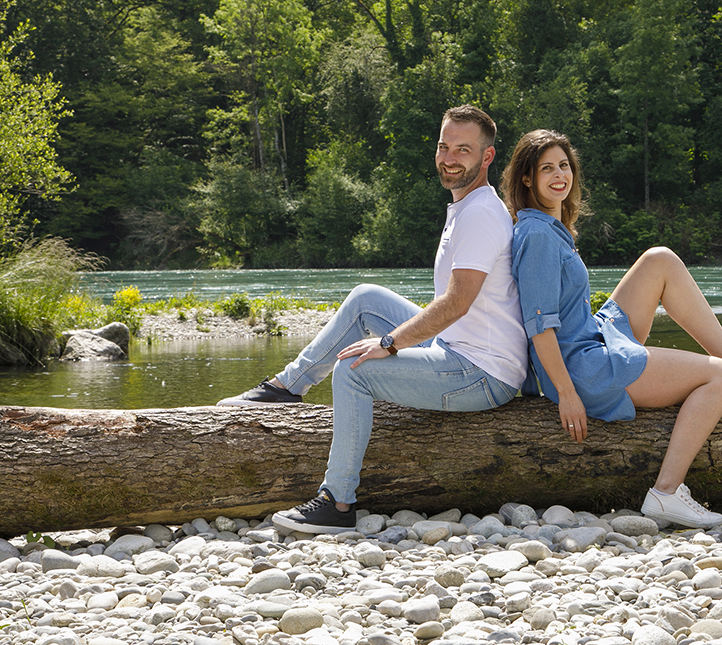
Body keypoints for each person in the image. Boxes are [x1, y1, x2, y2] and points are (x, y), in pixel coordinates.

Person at [217, 105, 528, 534]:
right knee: (366, 299)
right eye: (443, 147)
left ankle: (337, 503)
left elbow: (456, 304)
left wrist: (389, 344)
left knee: (354, 370)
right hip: (458, 348)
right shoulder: (466, 204)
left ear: (487, 158)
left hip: (482, 372)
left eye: (463, 150)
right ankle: (288, 388)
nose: (450, 158)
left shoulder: (479, 215)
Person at [500, 129, 722, 529]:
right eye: (546, 168)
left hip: (592, 335)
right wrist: (567, 394)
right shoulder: (536, 234)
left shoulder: (550, 227)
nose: (559, 175)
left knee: (660, 260)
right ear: (526, 178)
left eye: (564, 166)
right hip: (582, 366)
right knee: (717, 378)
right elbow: (539, 327)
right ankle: (666, 493)